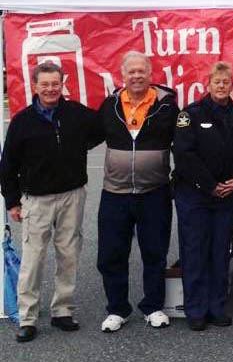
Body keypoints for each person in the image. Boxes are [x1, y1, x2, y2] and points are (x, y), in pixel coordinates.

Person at [0, 62, 100, 342]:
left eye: (55, 83)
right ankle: (28, 317)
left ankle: (63, 311)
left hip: (72, 196)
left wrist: (78, 147)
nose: (50, 89)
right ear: (35, 86)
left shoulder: (77, 114)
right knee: (33, 260)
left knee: (68, 255)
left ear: (62, 83)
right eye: (44, 84)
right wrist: (12, 201)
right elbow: (8, 165)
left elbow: (101, 129)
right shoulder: (22, 121)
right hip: (36, 200)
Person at [172, 61, 233, 331]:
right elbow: (184, 155)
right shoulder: (190, 115)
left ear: (232, 85)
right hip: (195, 196)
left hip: (228, 196)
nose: (221, 86)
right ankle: (196, 309)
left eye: (226, 82)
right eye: (216, 82)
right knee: (195, 251)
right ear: (207, 84)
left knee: (221, 251)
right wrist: (210, 185)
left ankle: (217, 306)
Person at [96, 51, 179, 332]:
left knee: (154, 252)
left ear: (150, 73)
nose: (136, 76)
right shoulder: (109, 105)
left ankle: (153, 306)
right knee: (111, 254)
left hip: (154, 192)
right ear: (123, 75)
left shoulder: (167, 107)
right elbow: (83, 138)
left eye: (141, 71)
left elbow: (184, 146)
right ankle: (117, 309)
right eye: (131, 72)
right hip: (114, 193)